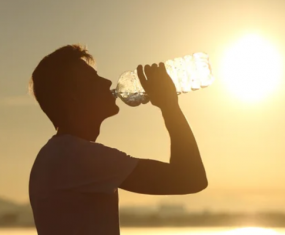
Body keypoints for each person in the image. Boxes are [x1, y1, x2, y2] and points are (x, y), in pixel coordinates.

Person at [28, 45, 208, 235]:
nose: (107, 82)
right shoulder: (76, 156)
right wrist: (169, 105)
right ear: (72, 100)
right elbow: (190, 178)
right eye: (93, 80)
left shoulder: (57, 154)